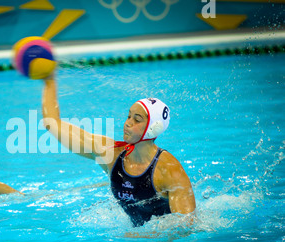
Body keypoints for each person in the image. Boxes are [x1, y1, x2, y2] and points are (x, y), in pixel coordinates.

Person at [41, 74, 196, 228]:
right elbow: (53, 125)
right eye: (128, 116)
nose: (127, 123)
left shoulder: (169, 170)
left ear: (152, 128)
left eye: (137, 119)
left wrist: (143, 236)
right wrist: (49, 80)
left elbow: (186, 225)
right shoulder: (111, 154)